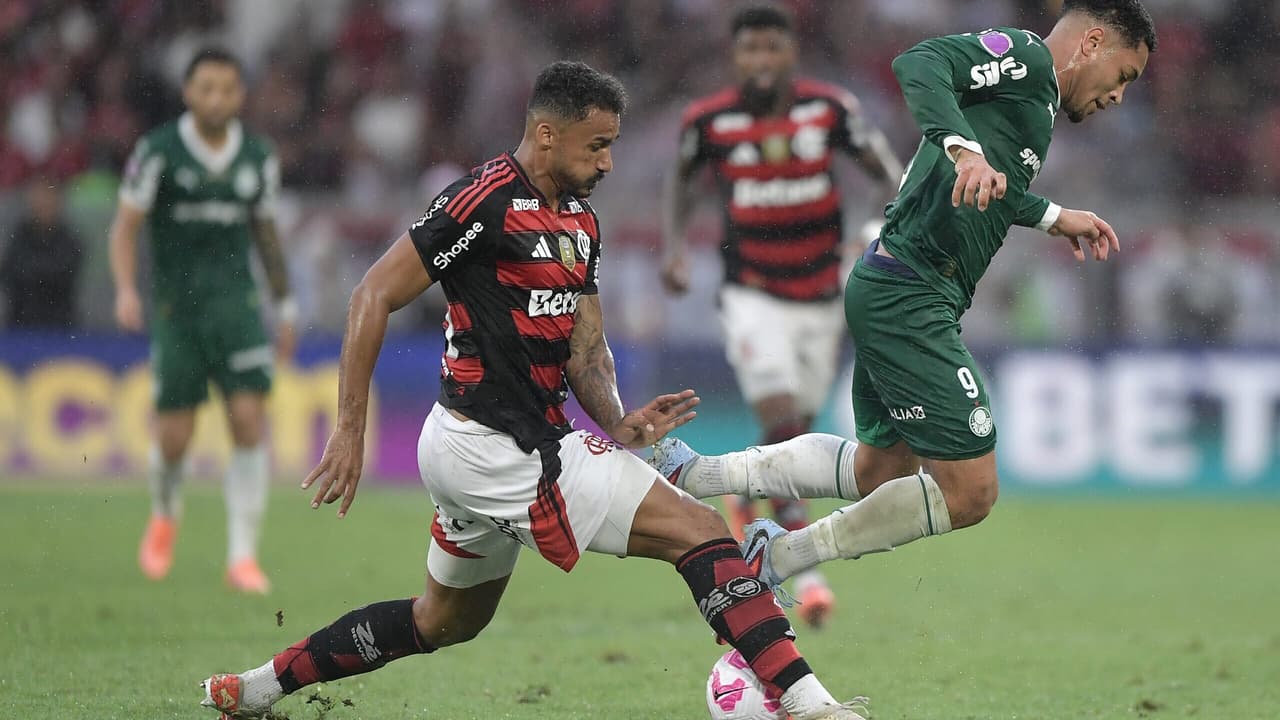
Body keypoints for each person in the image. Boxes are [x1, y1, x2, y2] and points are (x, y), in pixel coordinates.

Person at [198, 61, 869, 720]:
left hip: (485, 450)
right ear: (547, 135)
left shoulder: (581, 221)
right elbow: (373, 291)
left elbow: (585, 348)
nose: (608, 163)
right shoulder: (482, 200)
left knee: (443, 621)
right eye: (597, 144)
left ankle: (254, 690)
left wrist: (619, 421)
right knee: (700, 533)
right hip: (497, 446)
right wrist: (349, 428)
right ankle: (813, 706)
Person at [653, 0, 1156, 602]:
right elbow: (921, 62)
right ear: (1093, 43)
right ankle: (780, 554)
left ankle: (698, 473)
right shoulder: (1023, 58)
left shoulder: (1034, 103)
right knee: (971, 492)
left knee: (879, 470)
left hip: (899, 284)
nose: (1119, 96)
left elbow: (983, 188)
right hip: (911, 291)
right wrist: (963, 147)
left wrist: (1048, 215)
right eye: (1124, 76)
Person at [660, 3, 903, 628]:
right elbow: (681, 181)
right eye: (750, 51)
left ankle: (745, 491)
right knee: (785, 419)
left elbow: (889, 174)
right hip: (751, 292)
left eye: (772, 49)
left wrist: (874, 233)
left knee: (796, 429)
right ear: (735, 57)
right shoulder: (708, 120)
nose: (761, 62)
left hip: (822, 295)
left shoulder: (829, 109)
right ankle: (801, 563)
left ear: (791, 52)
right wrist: (676, 247)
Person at [108, 48, 297, 594]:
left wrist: (284, 306)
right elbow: (123, 228)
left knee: (246, 421)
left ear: (241, 96)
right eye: (206, 88)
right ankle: (165, 513)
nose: (217, 98)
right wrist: (125, 289)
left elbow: (266, 235)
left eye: (228, 89)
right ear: (189, 92)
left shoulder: (258, 156)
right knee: (174, 437)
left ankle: (242, 557)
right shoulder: (158, 151)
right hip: (177, 313)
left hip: (236, 310)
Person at [0, 178, 82, 329]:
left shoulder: (68, 238)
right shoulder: (19, 235)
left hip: (59, 325)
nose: (42, 204)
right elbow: (8, 272)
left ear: (57, 202)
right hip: (20, 323)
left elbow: (63, 274)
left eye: (48, 199)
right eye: (38, 199)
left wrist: (31, 273)